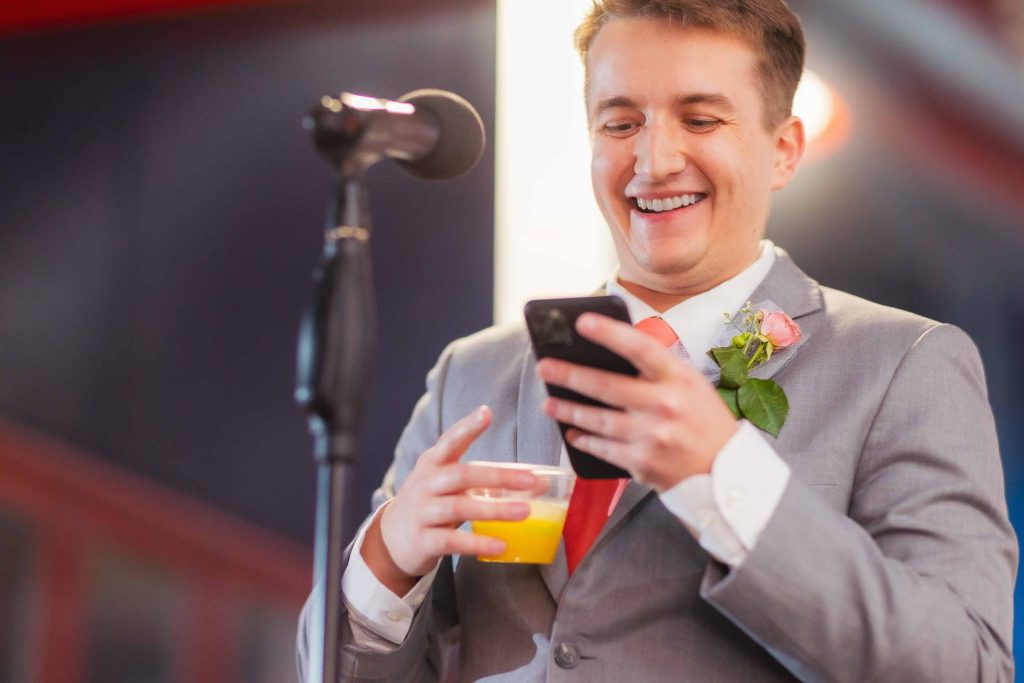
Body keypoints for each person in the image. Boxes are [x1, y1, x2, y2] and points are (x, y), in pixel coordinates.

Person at [297, 1, 1018, 680]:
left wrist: (725, 473)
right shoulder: (474, 371)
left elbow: (966, 663)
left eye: (701, 120)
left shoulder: (904, 364)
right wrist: (387, 557)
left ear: (784, 150)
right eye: (620, 123)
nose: (655, 159)